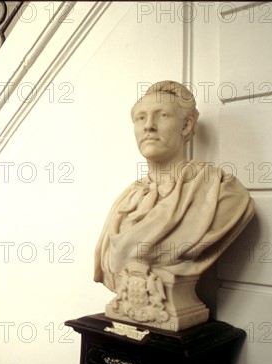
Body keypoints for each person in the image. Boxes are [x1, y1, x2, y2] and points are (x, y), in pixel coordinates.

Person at [93, 81, 254, 327]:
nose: (148, 125)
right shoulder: (125, 201)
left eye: (163, 115)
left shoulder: (220, 191)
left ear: (186, 126)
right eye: (140, 118)